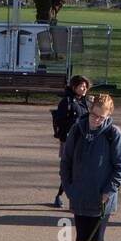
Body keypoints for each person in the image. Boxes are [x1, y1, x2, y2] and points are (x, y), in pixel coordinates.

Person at [59, 93, 121, 241]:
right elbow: (66, 161)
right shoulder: (77, 130)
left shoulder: (113, 133)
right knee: (80, 236)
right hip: (80, 195)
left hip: (102, 199)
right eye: (94, 115)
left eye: (101, 117)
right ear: (90, 110)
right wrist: (70, 187)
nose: (96, 120)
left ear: (108, 116)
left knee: (96, 240)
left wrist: (108, 190)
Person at [50, 74, 91, 208]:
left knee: (78, 170)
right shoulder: (67, 101)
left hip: (83, 140)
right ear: (74, 87)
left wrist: (93, 103)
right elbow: (60, 121)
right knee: (70, 170)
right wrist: (78, 122)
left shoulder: (84, 101)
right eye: (81, 86)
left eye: (85, 86)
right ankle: (61, 196)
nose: (84, 89)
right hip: (69, 140)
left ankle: (68, 196)